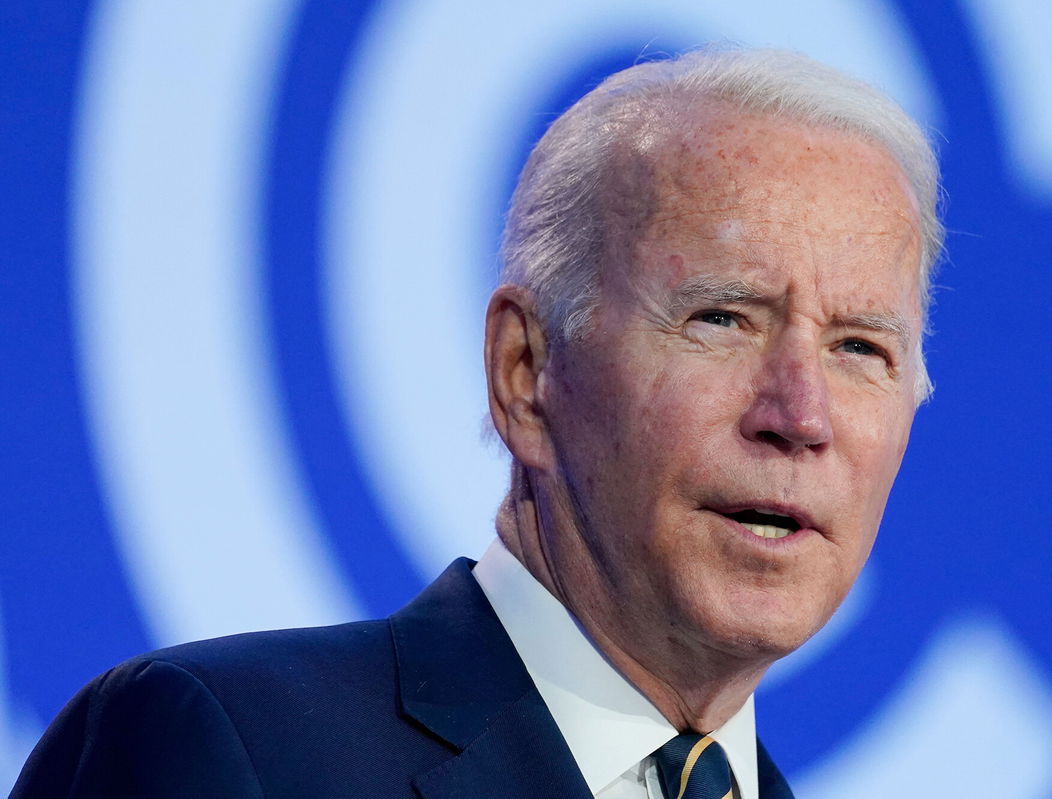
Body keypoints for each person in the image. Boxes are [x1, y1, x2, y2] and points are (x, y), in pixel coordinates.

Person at [12, 46, 943, 798]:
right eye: (723, 318)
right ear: (525, 372)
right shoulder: (225, 750)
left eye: (861, 348)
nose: (801, 415)